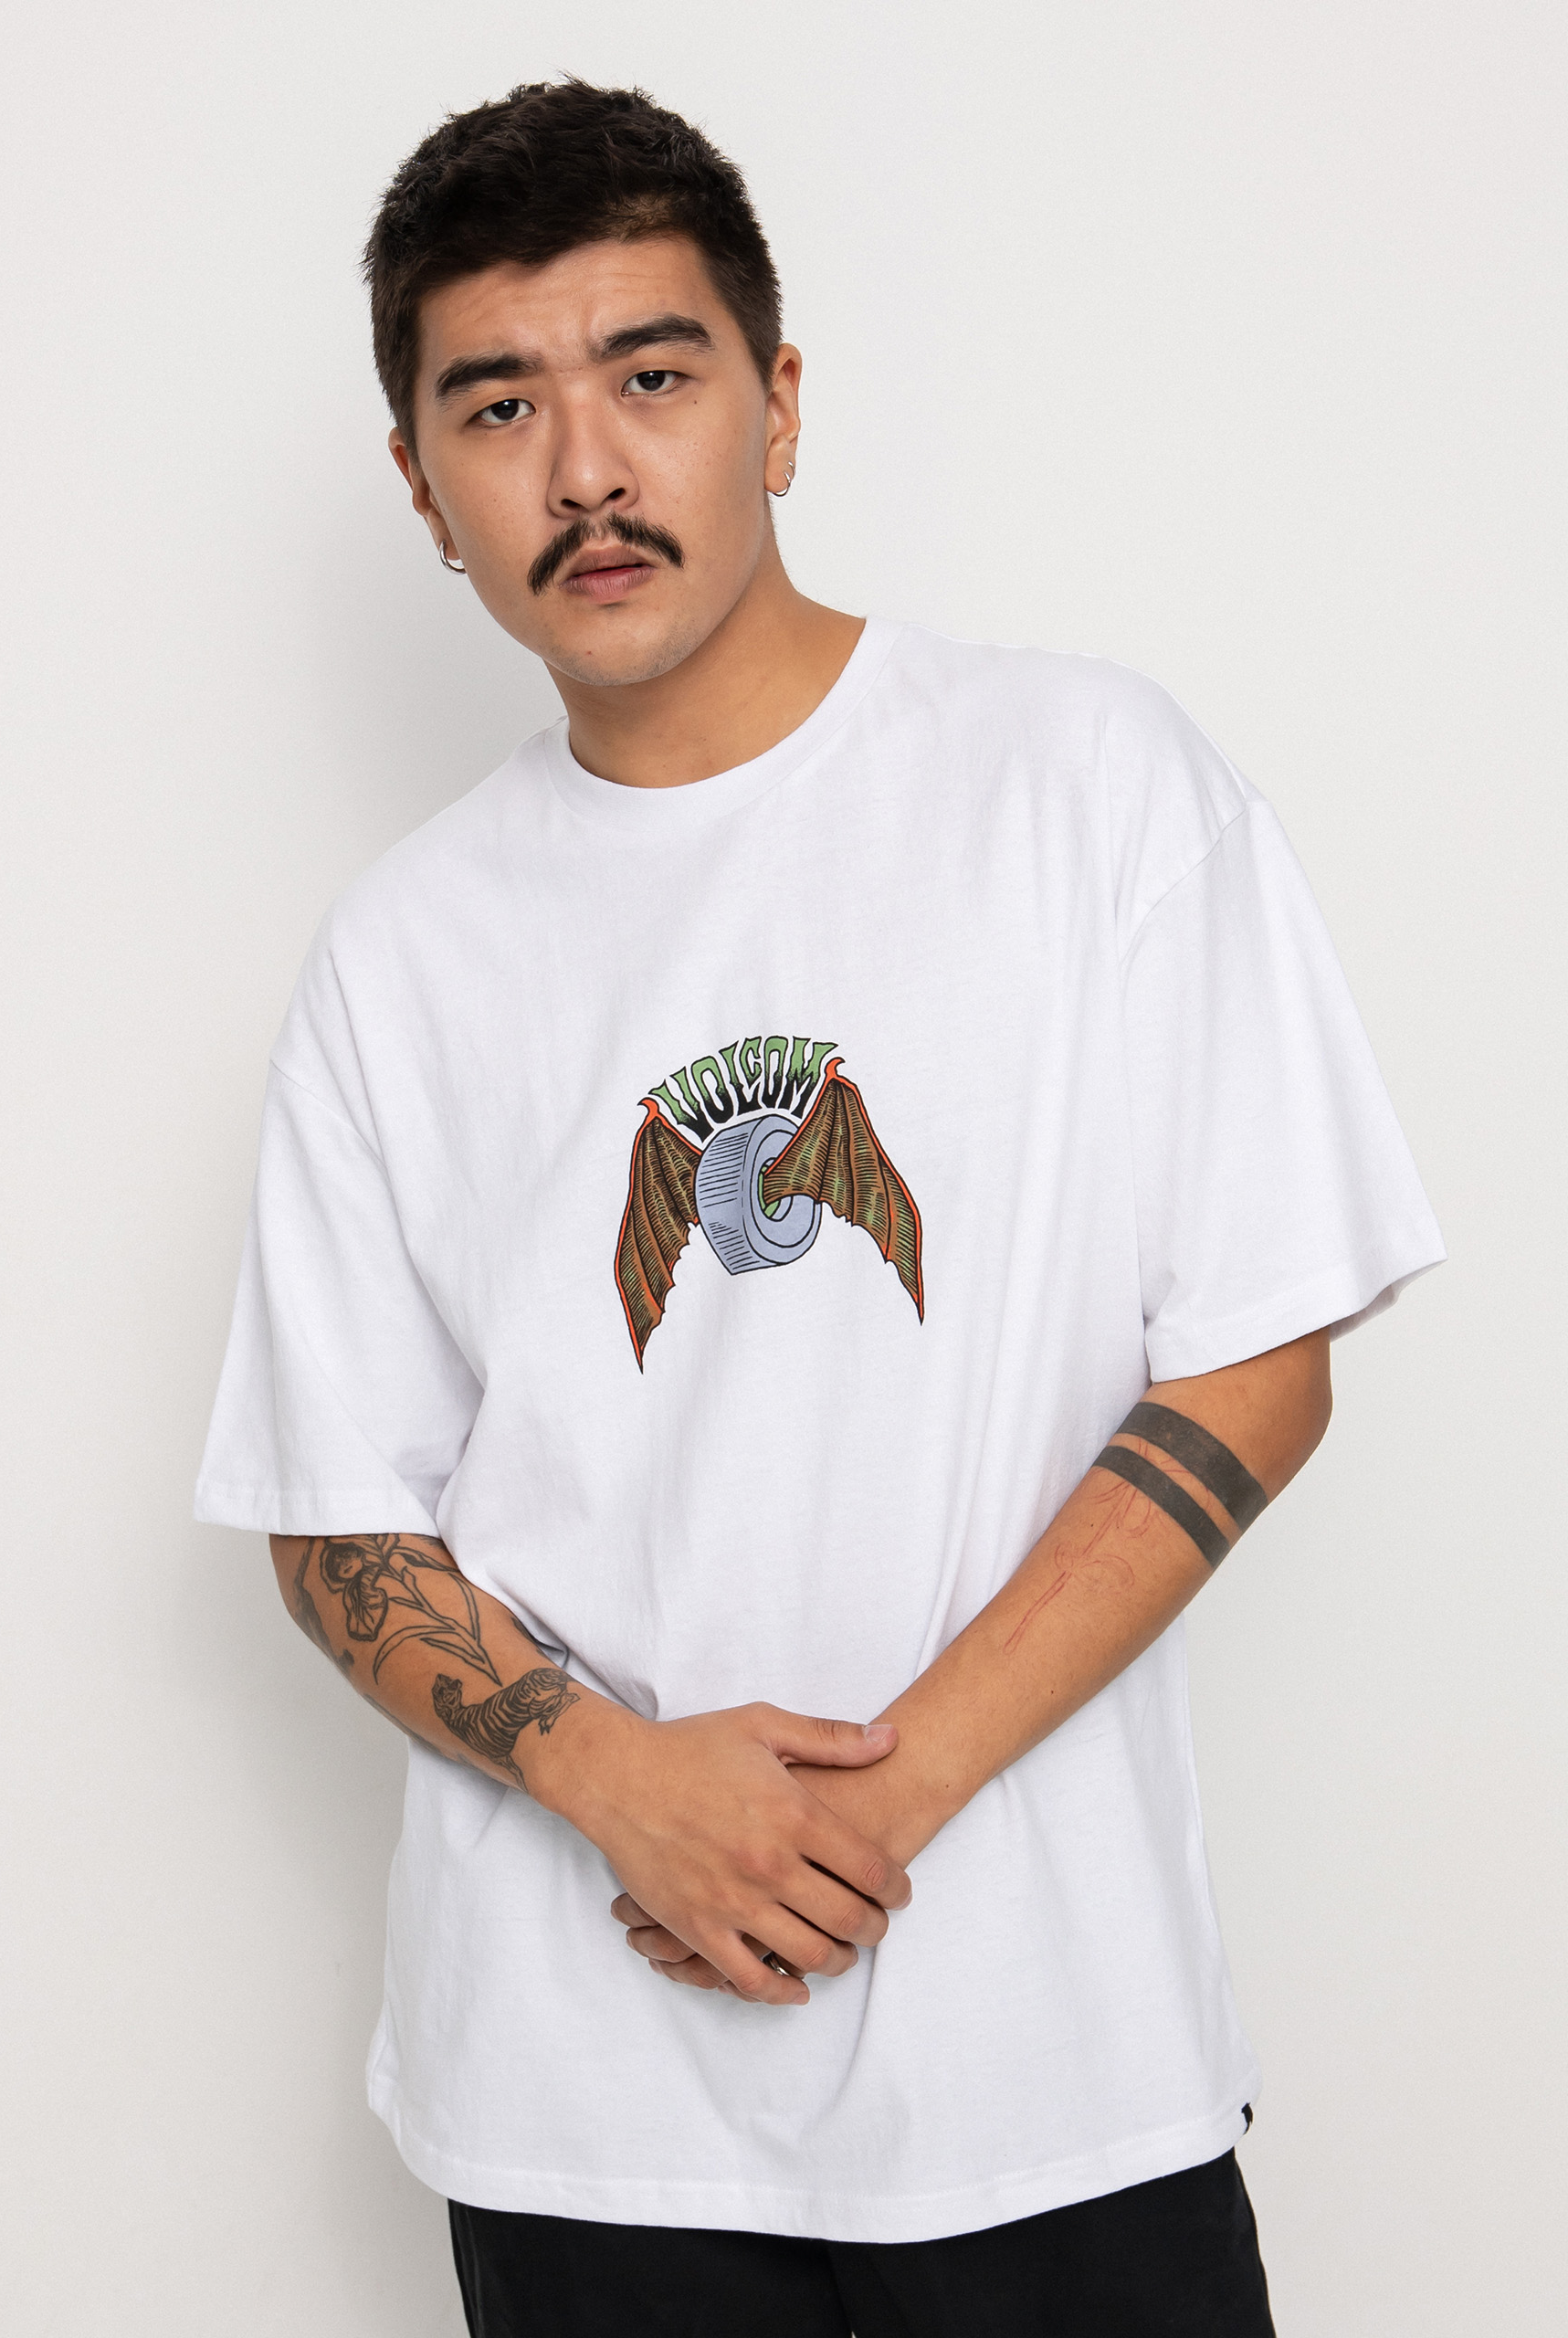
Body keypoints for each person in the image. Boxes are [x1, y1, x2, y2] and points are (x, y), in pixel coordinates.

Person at [195, 78, 1443, 2338]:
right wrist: (622, 1782)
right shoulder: (401, 955)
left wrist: (874, 1798)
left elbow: (1260, 1361)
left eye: (651, 375)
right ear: (421, 485)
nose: (586, 468)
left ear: (778, 403)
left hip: (1049, 2059)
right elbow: (333, 1515)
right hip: (579, 2090)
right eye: (500, 405)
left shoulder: (1089, 787)